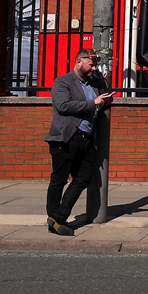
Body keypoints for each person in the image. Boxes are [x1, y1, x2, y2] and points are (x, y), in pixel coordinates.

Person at [44, 49, 112, 236]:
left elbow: (100, 101)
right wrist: (94, 103)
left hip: (85, 139)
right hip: (66, 138)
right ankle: (55, 218)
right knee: (59, 179)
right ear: (79, 62)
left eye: (95, 65)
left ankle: (58, 217)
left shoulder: (94, 84)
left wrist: (106, 101)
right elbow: (64, 106)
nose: (94, 68)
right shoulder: (63, 82)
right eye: (91, 65)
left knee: (83, 178)